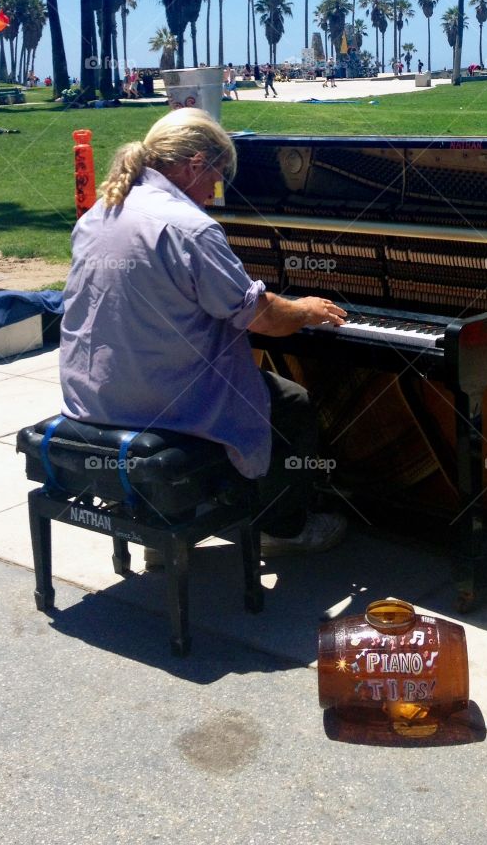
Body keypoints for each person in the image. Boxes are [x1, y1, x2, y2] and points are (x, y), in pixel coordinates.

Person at [58, 110, 348, 557]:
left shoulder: (101, 211)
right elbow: (262, 317)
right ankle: (282, 527)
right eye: (216, 176)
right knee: (292, 402)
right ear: (195, 164)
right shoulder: (188, 226)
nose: (215, 193)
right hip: (154, 402)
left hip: (94, 392)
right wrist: (307, 310)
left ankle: (170, 517)